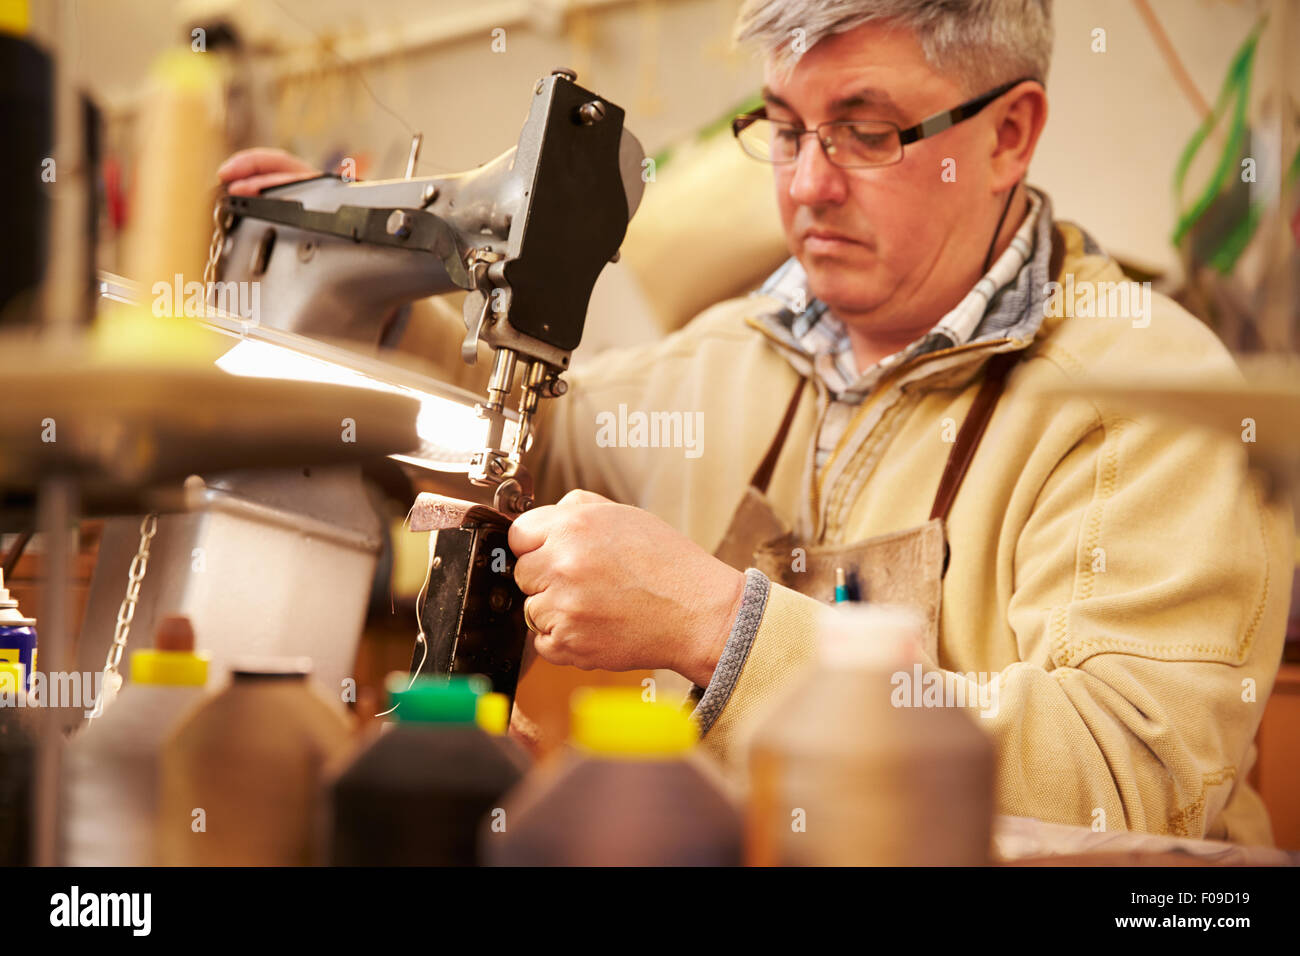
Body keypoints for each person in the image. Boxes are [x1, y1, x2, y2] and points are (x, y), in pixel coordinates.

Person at [218, 0, 1292, 845]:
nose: (809, 185)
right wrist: (360, 300)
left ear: (1008, 133)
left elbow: (1120, 786)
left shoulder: (1150, 396)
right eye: (782, 129)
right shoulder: (726, 356)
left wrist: (721, 623)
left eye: (864, 132)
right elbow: (520, 432)